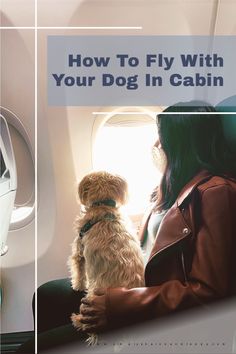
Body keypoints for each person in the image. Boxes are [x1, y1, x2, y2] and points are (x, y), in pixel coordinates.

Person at [17, 101, 236, 352]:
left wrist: (118, 304)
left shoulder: (216, 193)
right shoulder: (171, 187)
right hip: (136, 287)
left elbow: (208, 291)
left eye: (161, 138)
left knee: (29, 350)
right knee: (47, 296)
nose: (156, 145)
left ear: (181, 144)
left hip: (158, 313)